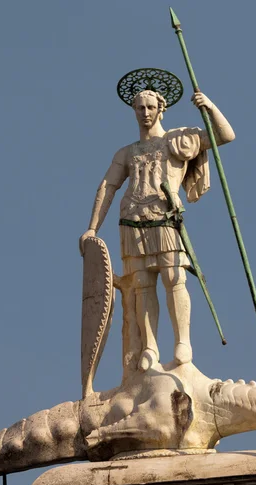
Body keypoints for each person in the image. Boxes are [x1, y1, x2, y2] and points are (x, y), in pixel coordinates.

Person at [79, 89, 235, 371]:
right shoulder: (126, 152)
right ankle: (150, 346)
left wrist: (209, 106)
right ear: (134, 111)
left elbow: (224, 135)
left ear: (161, 109)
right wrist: (92, 228)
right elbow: (108, 186)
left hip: (165, 215)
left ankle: (183, 343)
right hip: (131, 219)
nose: (145, 113)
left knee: (174, 277)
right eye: (140, 108)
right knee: (141, 286)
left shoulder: (177, 140)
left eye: (150, 107)